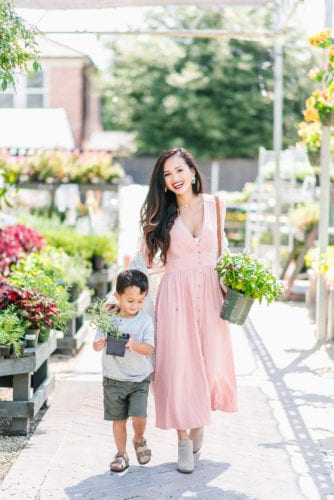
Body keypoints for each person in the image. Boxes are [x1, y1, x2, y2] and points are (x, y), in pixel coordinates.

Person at [139, 147, 237, 474]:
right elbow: (142, 260)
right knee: (178, 366)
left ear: (193, 172)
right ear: (163, 183)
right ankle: (182, 439)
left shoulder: (215, 205)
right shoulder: (160, 215)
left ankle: (199, 420)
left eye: (179, 171)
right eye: (167, 175)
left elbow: (224, 252)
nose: (175, 178)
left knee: (211, 362)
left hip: (211, 294)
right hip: (175, 297)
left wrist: (243, 282)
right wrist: (121, 294)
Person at [93, 269, 155, 473]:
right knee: (118, 420)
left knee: (139, 416)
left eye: (140, 300)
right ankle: (121, 453)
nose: (135, 305)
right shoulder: (108, 317)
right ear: (118, 296)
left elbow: (149, 349)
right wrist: (100, 343)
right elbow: (95, 344)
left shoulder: (144, 320)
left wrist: (133, 345)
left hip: (138, 379)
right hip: (113, 379)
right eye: (130, 300)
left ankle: (138, 439)